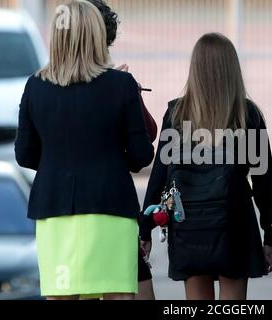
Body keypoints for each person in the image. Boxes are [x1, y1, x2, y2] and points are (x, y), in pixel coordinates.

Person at [15, 0, 154, 300]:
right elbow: (143, 155)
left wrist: (60, 162)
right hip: (111, 207)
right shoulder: (122, 84)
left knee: (62, 296)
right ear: (95, 34)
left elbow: (24, 155)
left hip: (55, 212)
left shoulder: (35, 86)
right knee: (118, 294)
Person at [140, 33, 272, 300]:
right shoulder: (247, 115)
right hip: (234, 224)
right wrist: (271, 237)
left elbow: (158, 177)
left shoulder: (177, 115)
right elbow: (263, 182)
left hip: (188, 225)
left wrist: (145, 228)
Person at [88, 0, 157, 301]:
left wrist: (131, 94)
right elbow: (143, 148)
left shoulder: (115, 80)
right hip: (107, 206)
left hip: (89, 207)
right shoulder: (108, 83)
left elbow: (148, 133)